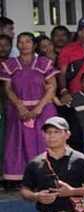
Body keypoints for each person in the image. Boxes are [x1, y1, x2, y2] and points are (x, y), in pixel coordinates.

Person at [2, 33, 59, 183]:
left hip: (43, 108)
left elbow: (52, 87)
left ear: (34, 45)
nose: (24, 45)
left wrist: (38, 108)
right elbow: (8, 89)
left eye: (28, 41)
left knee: (44, 141)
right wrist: (20, 107)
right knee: (18, 143)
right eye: (20, 42)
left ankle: (47, 175)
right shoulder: (10, 64)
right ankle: (19, 177)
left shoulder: (43, 62)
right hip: (18, 109)